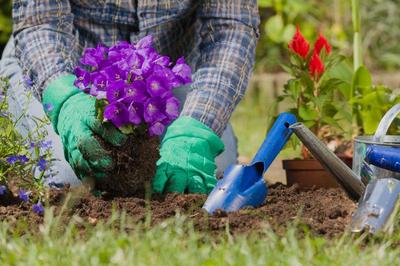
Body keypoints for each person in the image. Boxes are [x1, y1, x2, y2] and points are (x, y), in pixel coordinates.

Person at [0, 0, 259, 194]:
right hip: (61, 71)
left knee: (204, 172)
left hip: (162, 83)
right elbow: (40, 22)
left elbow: (232, 29)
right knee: (74, 179)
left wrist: (196, 126)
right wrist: (67, 101)